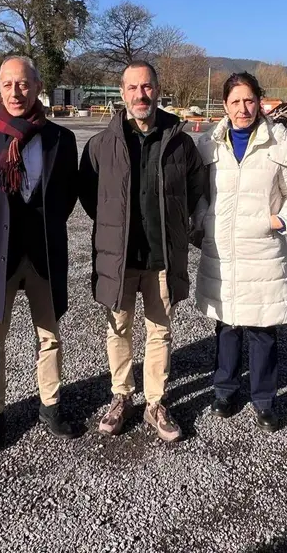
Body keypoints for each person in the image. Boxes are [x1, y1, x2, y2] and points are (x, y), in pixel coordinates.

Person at [0, 55, 80, 451]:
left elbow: (67, 194)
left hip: (43, 252)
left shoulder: (61, 140)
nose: (15, 92)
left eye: (23, 83)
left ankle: (50, 405)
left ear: (38, 87)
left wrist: (47, 223)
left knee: (50, 336)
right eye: (8, 84)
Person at [79, 60, 206, 442]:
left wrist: (177, 225)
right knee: (118, 329)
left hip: (161, 257)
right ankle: (121, 396)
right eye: (132, 88)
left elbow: (196, 188)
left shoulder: (180, 142)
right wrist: (114, 228)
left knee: (159, 331)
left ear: (158, 90)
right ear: (122, 93)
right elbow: (90, 196)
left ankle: (155, 402)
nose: (140, 94)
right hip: (119, 257)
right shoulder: (101, 145)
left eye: (147, 86)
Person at [194, 72, 287, 432]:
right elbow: (198, 193)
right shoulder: (209, 145)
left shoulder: (279, 143)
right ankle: (225, 390)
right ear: (224, 105)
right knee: (227, 324)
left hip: (263, 250)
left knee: (262, 327)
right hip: (223, 251)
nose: (242, 109)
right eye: (235, 102)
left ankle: (264, 399)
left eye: (249, 100)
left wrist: (280, 220)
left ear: (260, 101)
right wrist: (204, 220)